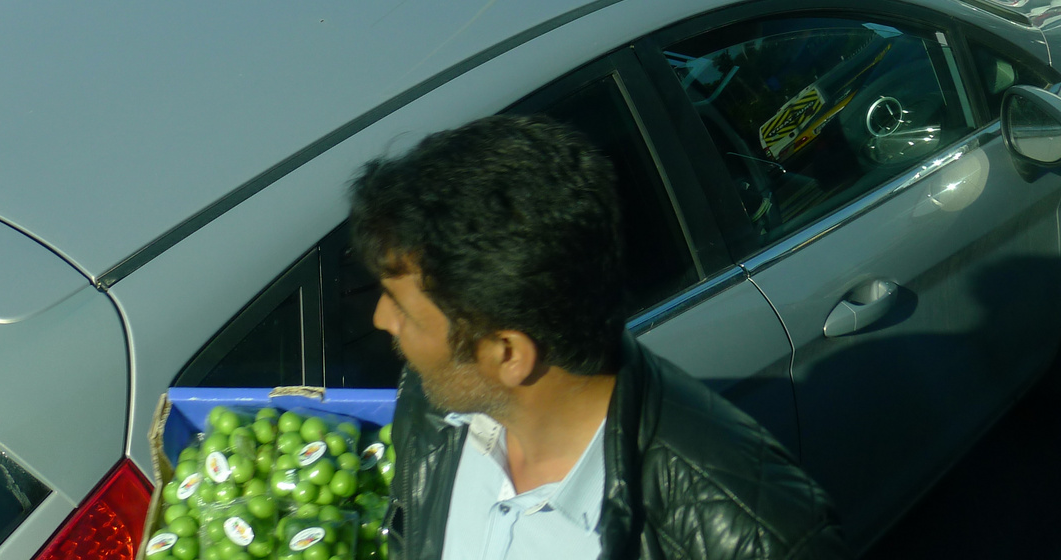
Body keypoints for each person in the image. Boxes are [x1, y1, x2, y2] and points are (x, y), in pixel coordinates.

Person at [350, 115, 847, 560]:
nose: (381, 319)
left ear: (508, 355)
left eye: (404, 311)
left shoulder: (756, 539)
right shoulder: (437, 402)